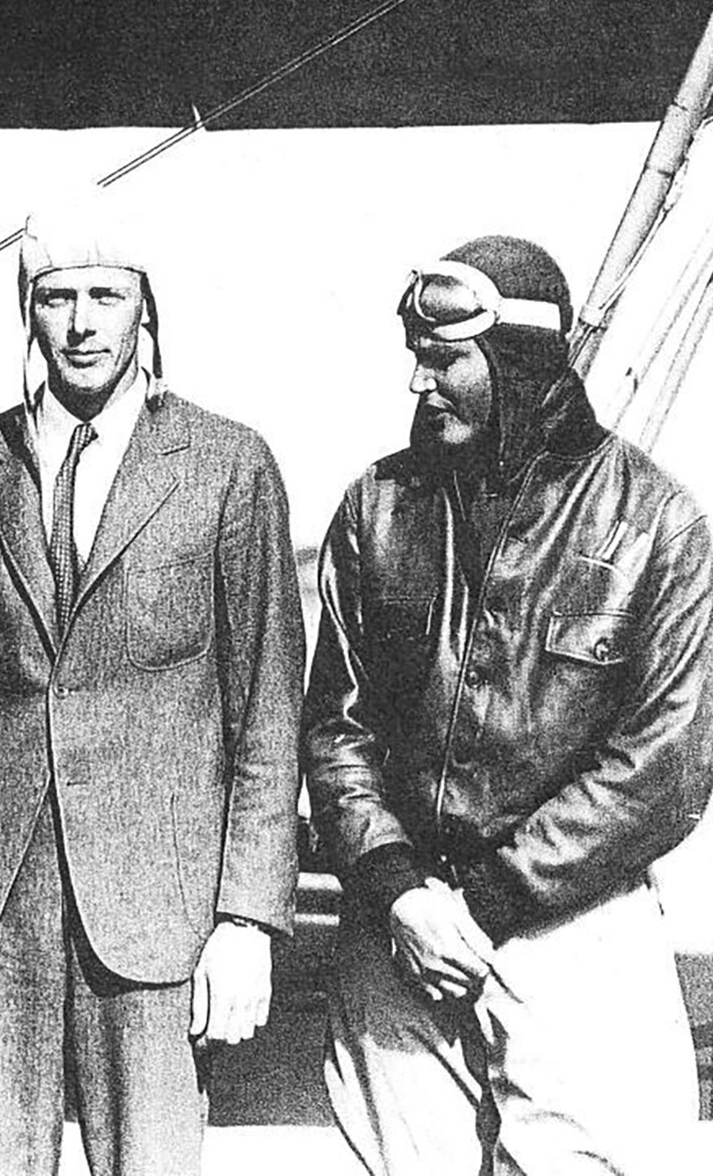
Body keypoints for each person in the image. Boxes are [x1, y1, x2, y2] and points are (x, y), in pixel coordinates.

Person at [0, 194, 305, 1176]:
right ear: (27, 311)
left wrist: (246, 918)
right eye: (56, 297)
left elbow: (267, 715)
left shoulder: (228, 465)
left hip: (156, 911)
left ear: (145, 306)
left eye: (105, 296)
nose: (80, 324)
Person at [303, 235, 713, 1174]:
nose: (419, 382)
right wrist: (400, 888)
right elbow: (335, 725)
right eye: (417, 356)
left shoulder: (658, 523)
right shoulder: (376, 507)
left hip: (576, 928)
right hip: (401, 930)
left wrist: (487, 900)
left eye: (445, 359)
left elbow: (666, 765)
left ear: (518, 360)